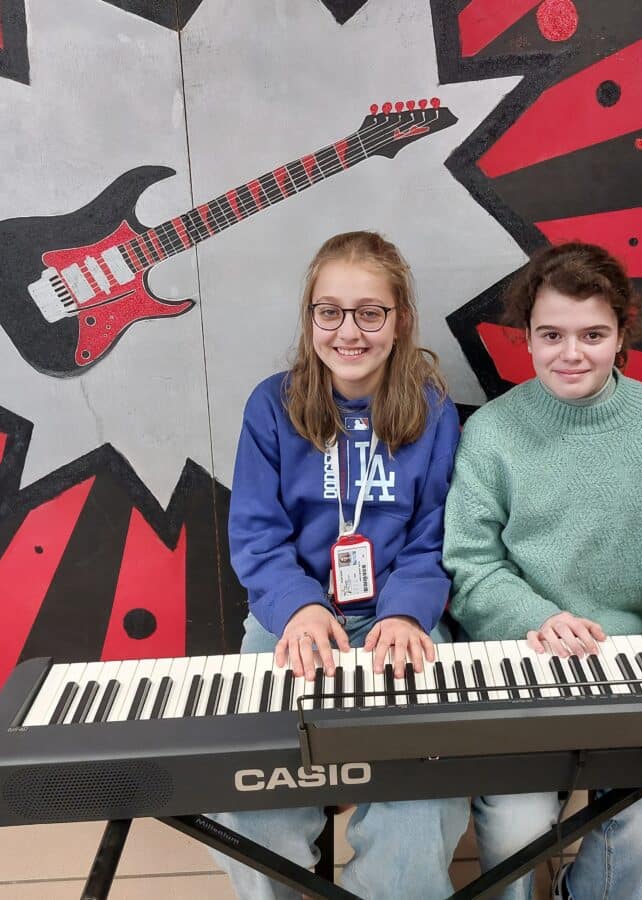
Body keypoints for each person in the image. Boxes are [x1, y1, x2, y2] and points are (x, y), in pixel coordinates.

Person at [442, 242, 642, 900]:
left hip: (626, 654)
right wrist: (537, 618)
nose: (571, 353)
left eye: (593, 335)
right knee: (517, 828)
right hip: (521, 652)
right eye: (551, 334)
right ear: (526, 336)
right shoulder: (491, 432)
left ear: (622, 333)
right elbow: (470, 561)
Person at [215, 231, 468, 899]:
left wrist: (406, 613)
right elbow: (256, 533)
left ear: (400, 320)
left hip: (396, 617)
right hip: (294, 617)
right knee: (247, 791)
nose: (348, 332)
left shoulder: (433, 410)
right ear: (310, 318)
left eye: (369, 313)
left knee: (424, 795)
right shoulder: (272, 405)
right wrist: (298, 608)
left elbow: (435, 536)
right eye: (329, 311)